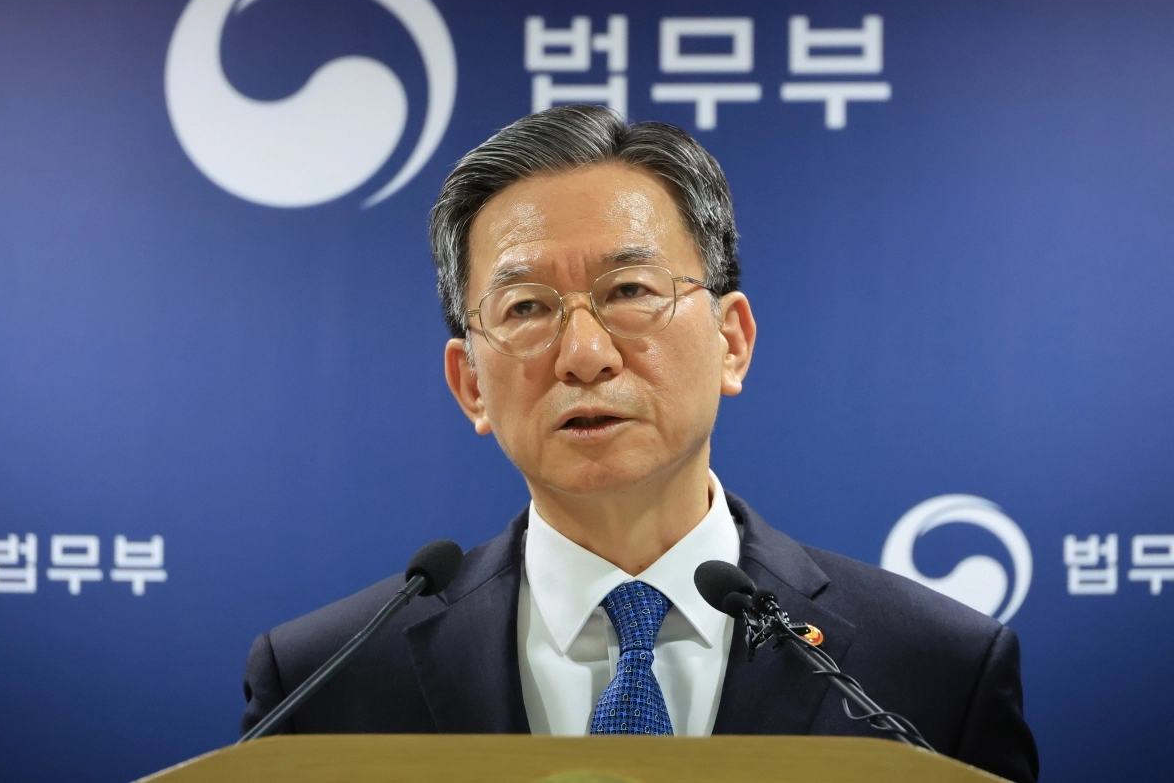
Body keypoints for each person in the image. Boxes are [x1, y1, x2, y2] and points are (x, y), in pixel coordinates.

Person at [241, 105, 1039, 782]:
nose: (585, 354)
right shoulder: (323, 684)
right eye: (525, 307)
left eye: (629, 290)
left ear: (731, 341)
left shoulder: (933, 668)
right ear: (470, 383)